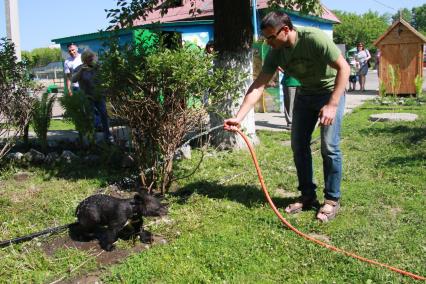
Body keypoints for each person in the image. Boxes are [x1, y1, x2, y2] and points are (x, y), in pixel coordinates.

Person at [224, 11, 350, 222]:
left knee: (329, 146)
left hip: (330, 92)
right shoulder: (276, 52)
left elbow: (344, 68)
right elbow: (258, 85)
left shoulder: (314, 38)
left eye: (271, 37)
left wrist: (332, 104)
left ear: (285, 30)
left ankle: (331, 200)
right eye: (265, 38)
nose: (268, 42)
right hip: (305, 94)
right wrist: (238, 117)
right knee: (299, 145)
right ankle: (307, 196)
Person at [71, 49, 114, 143]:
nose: (91, 60)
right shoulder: (79, 68)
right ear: (84, 59)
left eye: (92, 58)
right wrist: (81, 71)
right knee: (90, 116)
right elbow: (73, 80)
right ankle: (92, 136)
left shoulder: (97, 67)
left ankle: (107, 135)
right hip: (87, 96)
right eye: (89, 58)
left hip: (99, 95)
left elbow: (105, 78)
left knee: (103, 114)